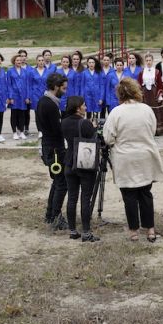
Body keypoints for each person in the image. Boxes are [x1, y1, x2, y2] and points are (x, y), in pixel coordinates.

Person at [103, 78, 163, 243]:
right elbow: (152, 129)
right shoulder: (146, 109)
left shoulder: (116, 112)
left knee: (129, 196)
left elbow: (108, 137)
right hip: (145, 155)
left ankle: (133, 231)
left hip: (125, 157)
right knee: (145, 193)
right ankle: (150, 229)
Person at [61, 96, 100, 242]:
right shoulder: (85, 123)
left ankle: (72, 230)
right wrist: (94, 127)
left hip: (69, 163)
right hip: (84, 163)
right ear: (78, 108)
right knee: (85, 198)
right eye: (83, 105)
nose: (86, 107)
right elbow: (94, 140)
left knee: (72, 197)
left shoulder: (63, 122)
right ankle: (86, 232)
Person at [36, 72, 69, 230]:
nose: (65, 91)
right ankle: (55, 216)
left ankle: (50, 215)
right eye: (63, 88)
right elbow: (57, 129)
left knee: (57, 182)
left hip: (50, 145)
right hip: (55, 149)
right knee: (62, 183)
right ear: (55, 87)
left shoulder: (45, 100)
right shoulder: (49, 104)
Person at [138, 53, 163, 135]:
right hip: (145, 93)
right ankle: (146, 130)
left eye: (150, 60)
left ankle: (157, 129)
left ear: (152, 61)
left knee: (155, 111)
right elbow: (139, 84)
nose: (148, 62)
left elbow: (160, 84)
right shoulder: (142, 72)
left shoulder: (157, 72)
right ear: (145, 61)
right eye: (147, 60)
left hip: (154, 93)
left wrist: (160, 95)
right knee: (145, 111)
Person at [7, 54, 28, 140]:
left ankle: (21, 131)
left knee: (22, 114)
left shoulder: (25, 71)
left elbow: (27, 85)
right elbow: (8, 84)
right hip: (14, 96)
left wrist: (27, 97)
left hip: (23, 96)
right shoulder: (10, 71)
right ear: (14, 61)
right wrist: (10, 97)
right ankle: (14, 132)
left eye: (20, 60)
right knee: (14, 114)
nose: (19, 62)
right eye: (17, 60)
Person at [28, 55, 49, 139]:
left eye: (42, 60)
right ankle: (40, 130)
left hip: (45, 94)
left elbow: (50, 84)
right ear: (36, 62)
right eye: (39, 60)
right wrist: (29, 96)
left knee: (45, 113)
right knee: (38, 113)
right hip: (35, 95)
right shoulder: (32, 72)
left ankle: (46, 130)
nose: (41, 62)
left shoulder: (48, 72)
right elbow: (29, 85)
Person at [81, 56, 103, 121]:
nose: (91, 64)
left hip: (97, 95)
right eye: (90, 62)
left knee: (96, 112)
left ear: (95, 63)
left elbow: (102, 85)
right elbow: (82, 85)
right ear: (87, 63)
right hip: (87, 96)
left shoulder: (99, 73)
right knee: (88, 112)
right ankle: (88, 126)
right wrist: (82, 98)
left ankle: (95, 126)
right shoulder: (84, 73)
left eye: (93, 62)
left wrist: (101, 98)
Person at [18, 49, 33, 136]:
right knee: (19, 112)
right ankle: (19, 128)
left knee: (27, 112)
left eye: (24, 56)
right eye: (21, 56)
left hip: (27, 93)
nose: (23, 58)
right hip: (18, 94)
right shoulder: (15, 68)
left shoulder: (30, 69)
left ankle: (26, 127)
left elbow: (31, 83)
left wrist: (29, 95)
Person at [98, 53, 113, 119]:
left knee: (111, 111)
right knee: (102, 111)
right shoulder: (99, 71)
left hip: (110, 94)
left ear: (110, 61)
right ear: (102, 61)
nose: (106, 61)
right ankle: (102, 126)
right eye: (104, 60)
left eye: (107, 60)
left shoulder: (113, 71)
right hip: (101, 94)